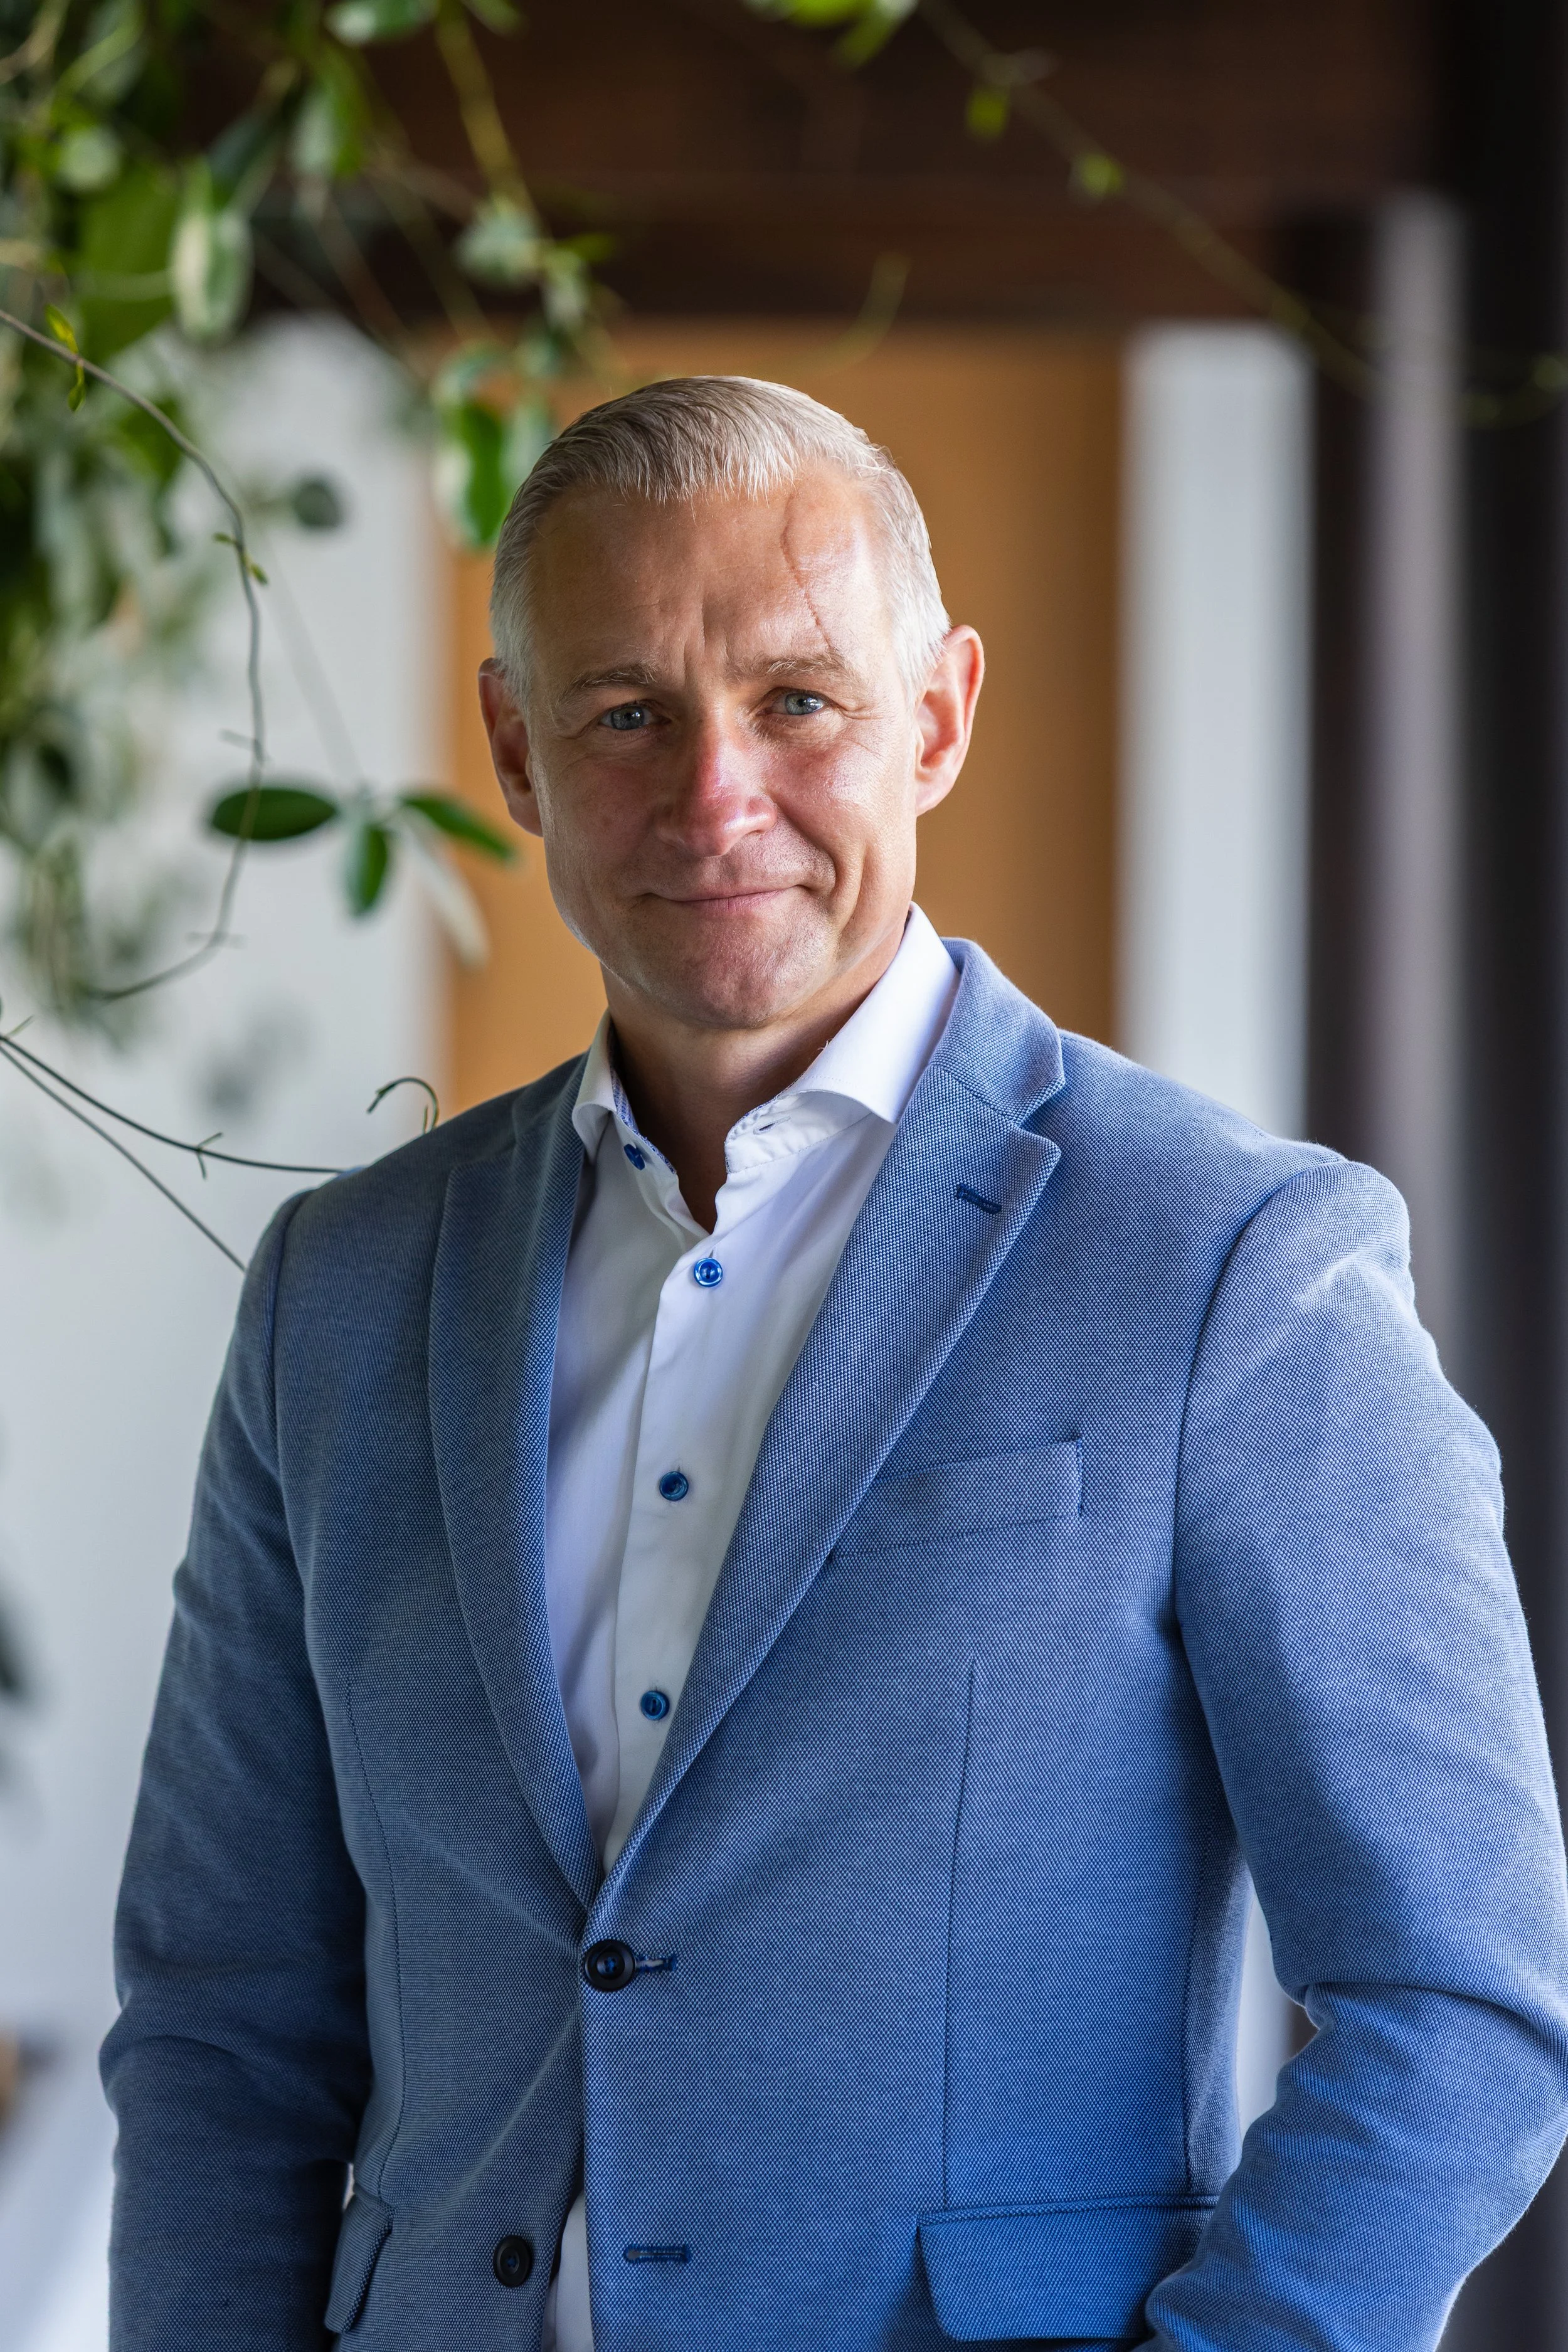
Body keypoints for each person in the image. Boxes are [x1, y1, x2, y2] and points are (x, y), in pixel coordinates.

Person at [104, 376, 1568, 2352]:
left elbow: (1465, 1997)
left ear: (937, 717)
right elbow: (220, 2024)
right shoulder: (341, 1291)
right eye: (627, 710)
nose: (715, 795)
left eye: (798, 700)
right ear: (517, 749)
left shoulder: (1231, 1259)